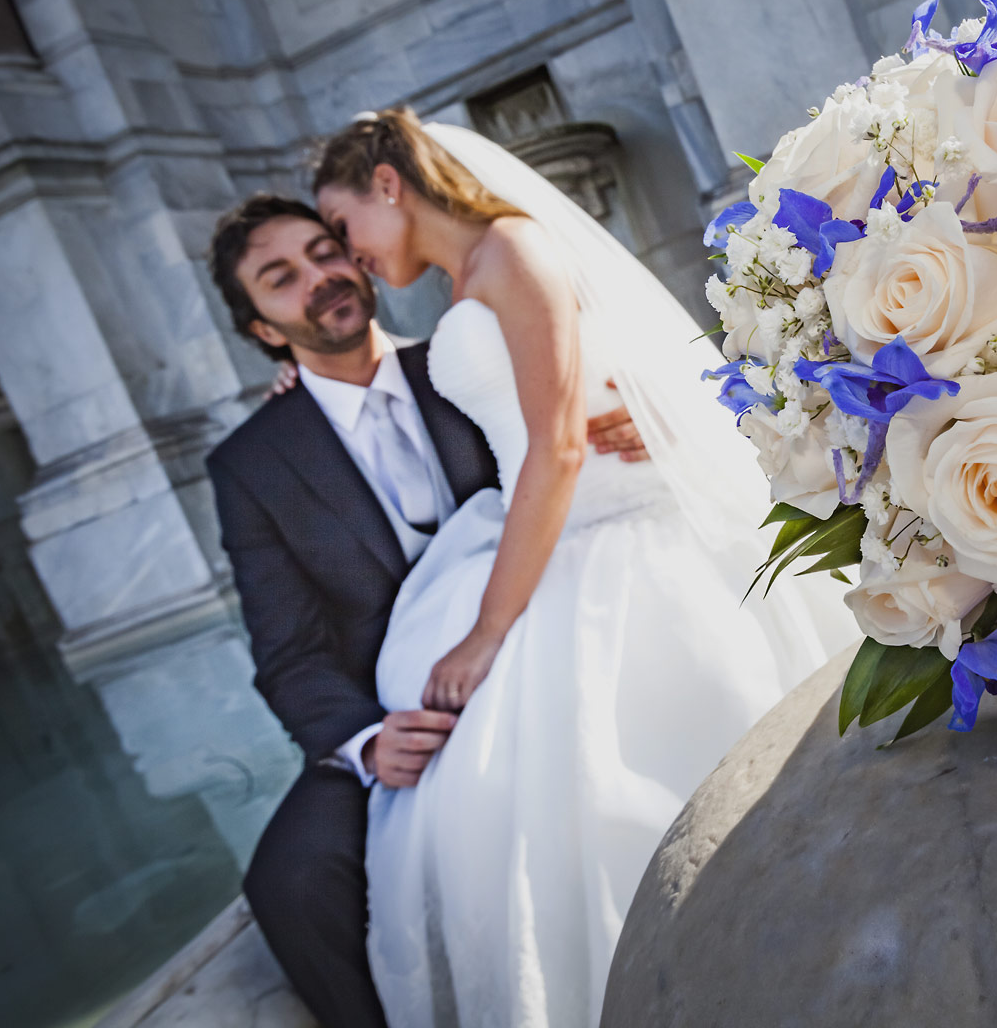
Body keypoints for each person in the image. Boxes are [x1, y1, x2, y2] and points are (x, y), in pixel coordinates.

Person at [307, 109, 857, 1027]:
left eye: (341, 223)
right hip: (551, 528)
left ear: (389, 186)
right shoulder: (466, 275)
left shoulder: (513, 248)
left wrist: (487, 632)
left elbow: (557, 447)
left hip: (611, 528)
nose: (347, 253)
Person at [204, 193, 653, 1028]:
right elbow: (289, 655)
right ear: (264, 328)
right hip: (404, 711)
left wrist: (635, 423)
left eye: (324, 251)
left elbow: (568, 440)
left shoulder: (465, 364)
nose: (319, 277)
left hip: (546, 638)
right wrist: (369, 741)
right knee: (291, 882)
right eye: (281, 277)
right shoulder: (251, 465)